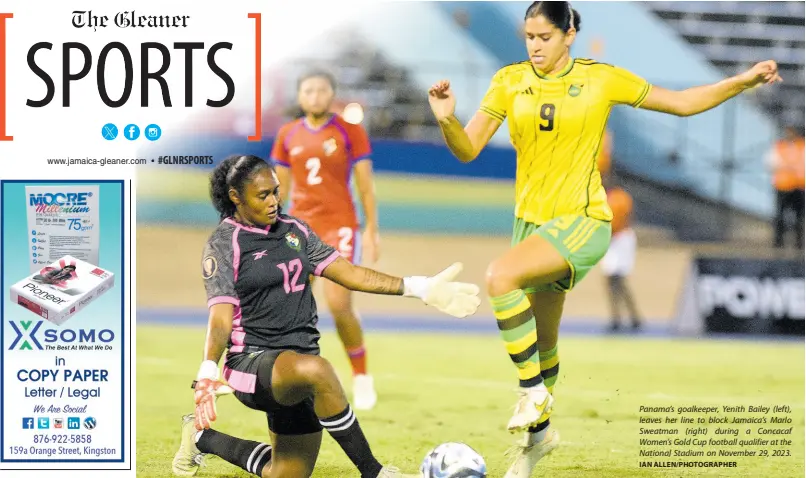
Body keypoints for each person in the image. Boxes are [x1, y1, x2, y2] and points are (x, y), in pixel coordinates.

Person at [426, 1, 781, 475]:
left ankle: (531, 396)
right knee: (544, 341)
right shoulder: (508, 81)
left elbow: (680, 103)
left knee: (499, 276)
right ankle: (538, 443)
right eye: (529, 37)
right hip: (531, 224)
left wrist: (741, 81)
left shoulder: (601, 78)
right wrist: (448, 119)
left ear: (568, 34)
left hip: (584, 219)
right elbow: (467, 150)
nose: (534, 46)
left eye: (544, 37)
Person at [171, 155, 480, 478]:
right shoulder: (224, 243)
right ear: (236, 197)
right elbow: (221, 317)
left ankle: (200, 438)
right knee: (319, 371)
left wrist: (419, 288)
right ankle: (374, 472)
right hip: (251, 363)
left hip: (298, 366)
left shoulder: (296, 231)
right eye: (263, 195)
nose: (275, 201)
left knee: (287, 472)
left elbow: (349, 273)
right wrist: (208, 368)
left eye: (276, 191)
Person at [271, 70, 381, 410]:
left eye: (321, 90)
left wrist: (372, 230)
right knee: (291, 307)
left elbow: (365, 184)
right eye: (309, 90)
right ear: (301, 96)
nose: (315, 95)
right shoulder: (288, 134)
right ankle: (293, 378)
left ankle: (362, 377)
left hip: (340, 227)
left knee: (338, 304)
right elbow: (281, 189)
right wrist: (271, 229)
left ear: (331, 95)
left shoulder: (349, 131)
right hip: (299, 230)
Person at [601, 184, 641, 331]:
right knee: (612, 279)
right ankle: (623, 317)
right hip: (613, 239)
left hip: (620, 237)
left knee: (617, 279)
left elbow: (619, 221)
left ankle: (626, 317)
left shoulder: (619, 198)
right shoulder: (604, 198)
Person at [767, 126, 805, 249]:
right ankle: (778, 242)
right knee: (780, 216)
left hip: (798, 186)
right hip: (782, 186)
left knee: (799, 216)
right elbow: (770, 163)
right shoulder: (779, 147)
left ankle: (799, 243)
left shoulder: (802, 146)